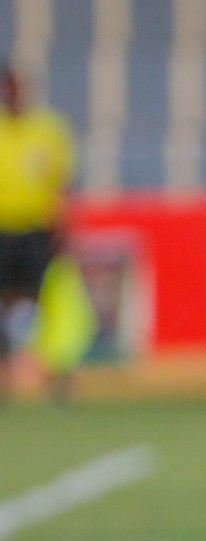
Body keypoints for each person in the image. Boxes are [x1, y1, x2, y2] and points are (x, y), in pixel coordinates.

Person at [0, 61, 76, 402]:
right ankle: (5, 376)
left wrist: (63, 228)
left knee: (47, 302)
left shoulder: (48, 129)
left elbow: (60, 184)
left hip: (36, 231)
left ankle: (56, 372)